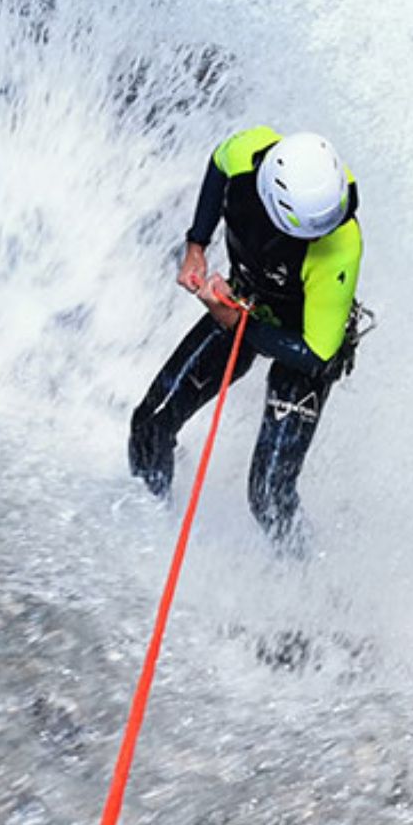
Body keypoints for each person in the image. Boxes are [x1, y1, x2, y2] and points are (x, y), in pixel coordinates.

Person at [128, 127, 363, 539]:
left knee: (268, 496)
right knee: (151, 423)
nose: (322, 237)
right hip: (247, 300)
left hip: (301, 342)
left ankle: (308, 580)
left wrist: (237, 323)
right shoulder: (249, 152)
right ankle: (149, 535)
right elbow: (219, 163)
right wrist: (196, 244)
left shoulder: (340, 246)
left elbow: (317, 354)